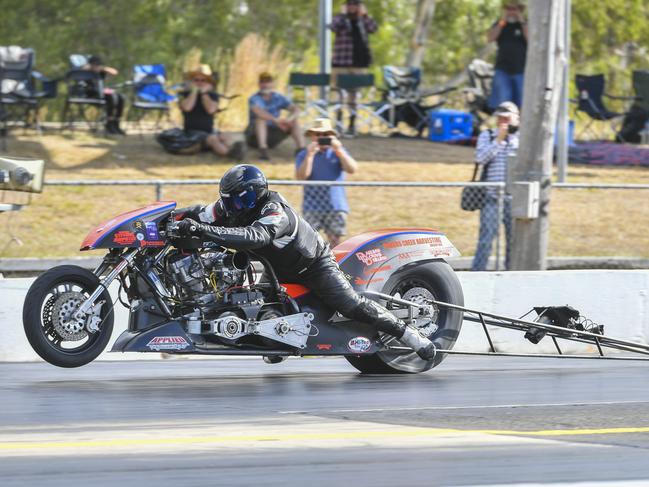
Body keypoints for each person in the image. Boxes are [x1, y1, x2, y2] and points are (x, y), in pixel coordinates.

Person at [174, 164, 436, 361]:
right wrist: (165, 219)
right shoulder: (227, 207)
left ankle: (410, 336)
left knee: (349, 304)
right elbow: (199, 214)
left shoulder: (275, 210)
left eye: (243, 200)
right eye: (231, 200)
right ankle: (279, 343)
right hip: (276, 268)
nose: (236, 207)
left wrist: (201, 230)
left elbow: (256, 236)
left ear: (258, 194)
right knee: (253, 307)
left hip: (313, 266)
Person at [471, 102, 520, 271]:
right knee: (485, 240)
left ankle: (512, 272)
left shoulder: (522, 139)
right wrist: (499, 140)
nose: (503, 122)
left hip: (515, 199)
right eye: (500, 118)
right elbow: (480, 159)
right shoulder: (488, 135)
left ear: (516, 119)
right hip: (491, 197)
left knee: (514, 241)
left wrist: (511, 138)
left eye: (507, 118)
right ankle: (477, 273)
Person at [296, 118, 357, 247]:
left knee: (335, 241)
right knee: (308, 241)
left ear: (333, 137)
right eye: (318, 135)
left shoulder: (338, 153)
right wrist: (310, 155)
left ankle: (334, 266)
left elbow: (352, 169)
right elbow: (302, 176)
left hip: (335, 205)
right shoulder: (304, 154)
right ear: (312, 137)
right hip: (311, 205)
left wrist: (339, 151)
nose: (322, 138)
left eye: (326, 135)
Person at [330, 0, 378, 135]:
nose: (352, 7)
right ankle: (338, 122)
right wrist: (343, 15)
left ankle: (352, 123)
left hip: (359, 63)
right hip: (341, 61)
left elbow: (373, 28)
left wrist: (365, 15)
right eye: (349, 4)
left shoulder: (363, 20)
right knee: (338, 92)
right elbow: (332, 27)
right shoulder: (340, 19)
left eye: (355, 4)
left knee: (354, 94)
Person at [179, 65, 245, 160]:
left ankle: (235, 149)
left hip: (209, 130)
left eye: (203, 80)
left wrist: (204, 94)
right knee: (213, 139)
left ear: (208, 82)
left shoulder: (212, 95)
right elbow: (187, 107)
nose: (199, 83)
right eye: (196, 80)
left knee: (225, 136)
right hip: (192, 133)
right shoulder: (184, 94)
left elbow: (211, 110)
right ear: (192, 81)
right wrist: (194, 92)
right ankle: (229, 154)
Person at [245, 72, 305, 161]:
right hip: (254, 136)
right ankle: (263, 151)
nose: (265, 85)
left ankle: (301, 149)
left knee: (294, 121)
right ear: (259, 84)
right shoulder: (254, 98)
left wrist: (289, 119)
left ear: (272, 83)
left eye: (268, 82)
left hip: (274, 132)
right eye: (263, 82)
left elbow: (295, 109)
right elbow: (259, 112)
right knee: (260, 120)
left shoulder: (278, 97)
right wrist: (276, 120)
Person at [487, 1, 528, 110]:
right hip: (502, 69)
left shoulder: (525, 24)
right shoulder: (500, 23)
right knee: (503, 102)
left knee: (523, 103)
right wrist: (502, 20)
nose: (511, 12)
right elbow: (490, 38)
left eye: (514, 9)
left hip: (521, 70)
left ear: (520, 10)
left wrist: (521, 20)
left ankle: (520, 126)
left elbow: (531, 39)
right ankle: (502, 126)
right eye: (508, 9)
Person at [84, 55, 126, 135]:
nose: (96, 66)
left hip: (102, 92)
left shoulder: (101, 70)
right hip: (91, 94)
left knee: (121, 97)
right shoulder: (85, 71)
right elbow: (82, 69)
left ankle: (116, 123)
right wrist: (90, 68)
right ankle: (109, 123)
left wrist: (102, 68)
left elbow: (114, 72)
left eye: (98, 64)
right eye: (95, 64)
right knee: (111, 97)